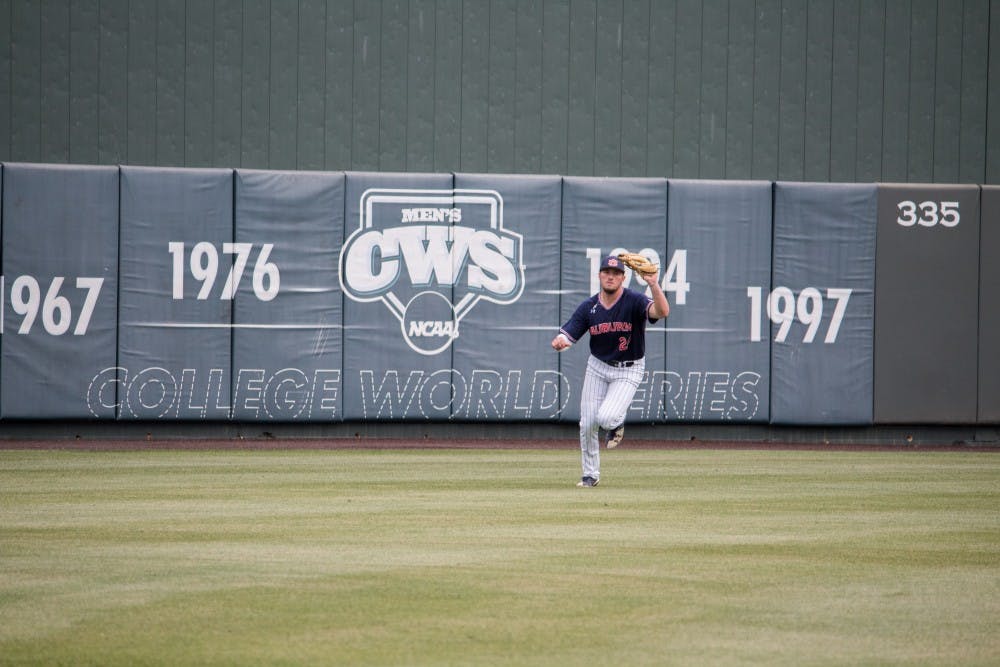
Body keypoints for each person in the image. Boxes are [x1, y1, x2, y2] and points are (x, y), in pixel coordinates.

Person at [551, 254, 670, 487]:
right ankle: (590, 475)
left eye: (616, 273)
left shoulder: (634, 301)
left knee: (606, 417)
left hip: (629, 368)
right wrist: (560, 339)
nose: (611, 276)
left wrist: (654, 284)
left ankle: (616, 424)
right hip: (598, 367)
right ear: (599, 276)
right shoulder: (589, 307)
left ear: (623, 278)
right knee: (587, 424)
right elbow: (569, 331)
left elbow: (662, 311)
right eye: (607, 272)